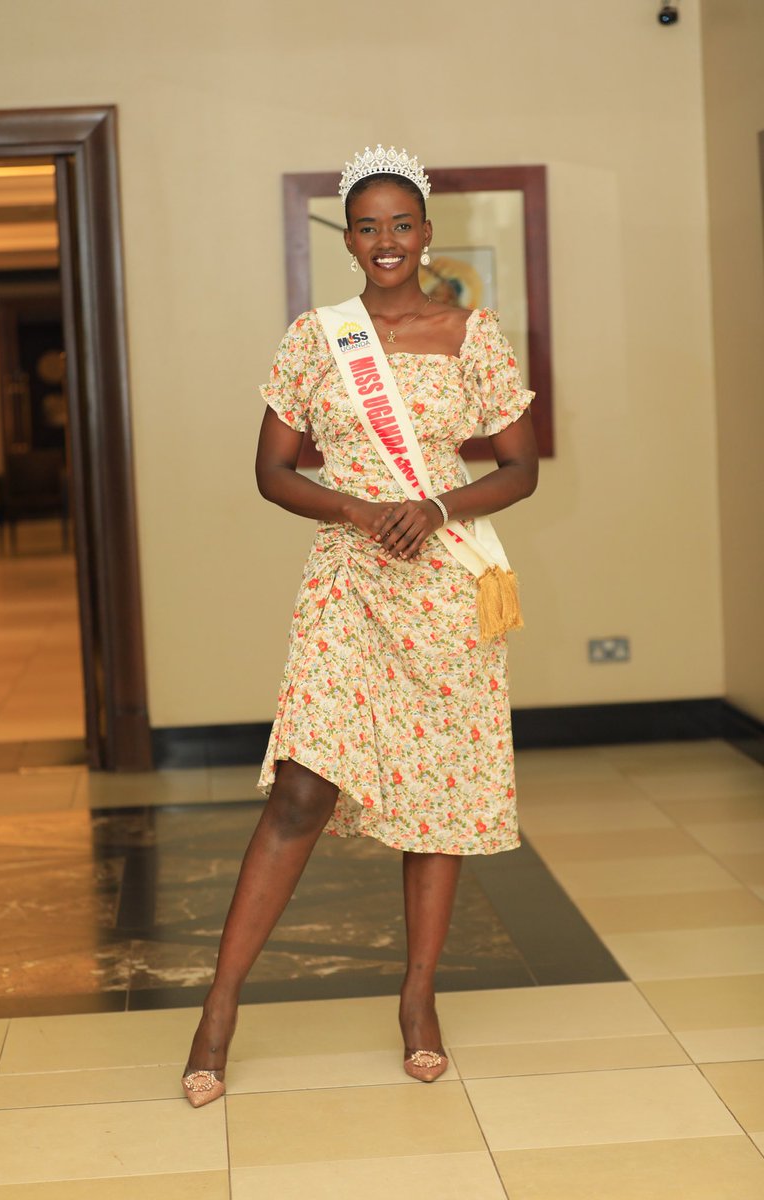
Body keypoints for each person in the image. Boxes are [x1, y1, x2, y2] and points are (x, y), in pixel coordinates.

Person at [182, 145, 538, 1107]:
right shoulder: (316, 337)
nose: (386, 241)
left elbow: (519, 467)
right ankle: (220, 1006)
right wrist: (353, 511)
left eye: (402, 224)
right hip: (348, 581)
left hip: (447, 584)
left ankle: (418, 999)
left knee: (442, 796)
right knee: (300, 790)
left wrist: (440, 508)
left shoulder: (474, 334)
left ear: (427, 233)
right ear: (350, 241)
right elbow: (273, 470)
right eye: (368, 227)